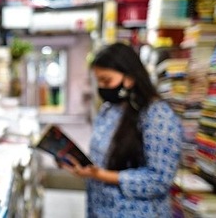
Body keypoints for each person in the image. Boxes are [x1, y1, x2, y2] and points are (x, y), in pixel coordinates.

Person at [60, 42, 182, 217]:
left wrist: (102, 175)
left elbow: (159, 180)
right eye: (99, 81)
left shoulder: (157, 115)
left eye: (107, 80)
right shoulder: (109, 110)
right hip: (101, 208)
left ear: (130, 78)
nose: (102, 87)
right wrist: (79, 164)